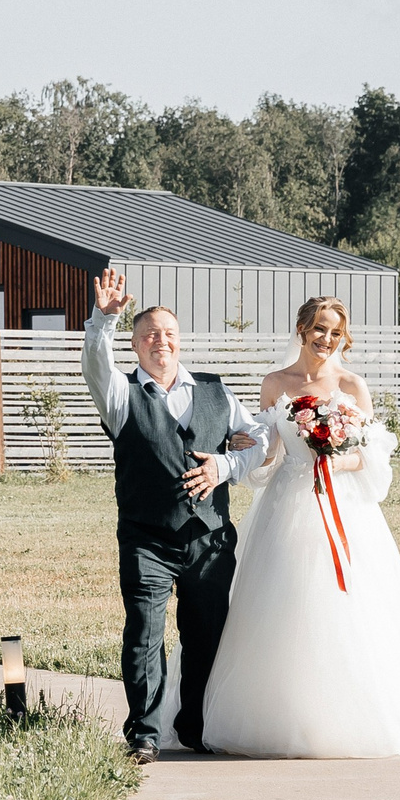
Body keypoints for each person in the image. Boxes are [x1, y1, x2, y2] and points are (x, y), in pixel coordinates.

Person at [198, 294, 400, 758]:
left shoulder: (353, 386)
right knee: (286, 602)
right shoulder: (275, 383)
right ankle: (283, 716)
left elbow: (373, 457)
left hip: (345, 510)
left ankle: (350, 716)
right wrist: (253, 446)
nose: (326, 339)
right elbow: (270, 455)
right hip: (287, 506)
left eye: (335, 332)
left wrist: (336, 459)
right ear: (302, 329)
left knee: (349, 607)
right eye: (319, 329)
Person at [83, 269, 268, 763]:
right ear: (136, 345)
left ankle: (194, 728)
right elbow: (95, 365)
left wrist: (226, 465)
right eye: (148, 335)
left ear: (179, 341)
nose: (159, 342)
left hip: (209, 539)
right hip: (147, 538)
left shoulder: (216, 392)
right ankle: (143, 733)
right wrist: (104, 319)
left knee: (206, 634)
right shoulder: (120, 396)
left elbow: (263, 440)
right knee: (144, 631)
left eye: (167, 334)